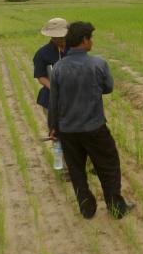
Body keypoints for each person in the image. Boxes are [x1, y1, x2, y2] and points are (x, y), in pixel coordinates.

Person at [48, 21, 134, 219]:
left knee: (76, 170)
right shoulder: (98, 64)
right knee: (108, 165)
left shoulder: (58, 68)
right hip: (94, 127)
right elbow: (108, 88)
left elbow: (54, 102)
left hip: (67, 130)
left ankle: (87, 208)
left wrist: (53, 127)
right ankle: (116, 207)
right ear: (85, 40)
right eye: (91, 38)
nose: (92, 42)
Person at [33, 17, 70, 180]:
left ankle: (83, 163)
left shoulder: (74, 49)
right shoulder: (43, 53)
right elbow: (41, 76)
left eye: (62, 36)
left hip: (74, 100)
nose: (59, 40)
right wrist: (56, 90)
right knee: (57, 131)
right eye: (56, 37)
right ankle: (65, 167)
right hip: (51, 99)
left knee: (78, 130)